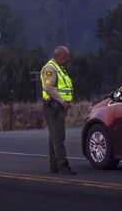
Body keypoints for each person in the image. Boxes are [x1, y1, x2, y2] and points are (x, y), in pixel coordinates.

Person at [40, 45, 76, 175]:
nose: (68, 59)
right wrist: (62, 101)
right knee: (58, 137)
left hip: (58, 107)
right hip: (53, 107)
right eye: (66, 56)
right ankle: (62, 166)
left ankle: (54, 166)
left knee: (54, 136)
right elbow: (48, 88)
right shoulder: (50, 68)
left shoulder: (60, 68)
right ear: (60, 57)